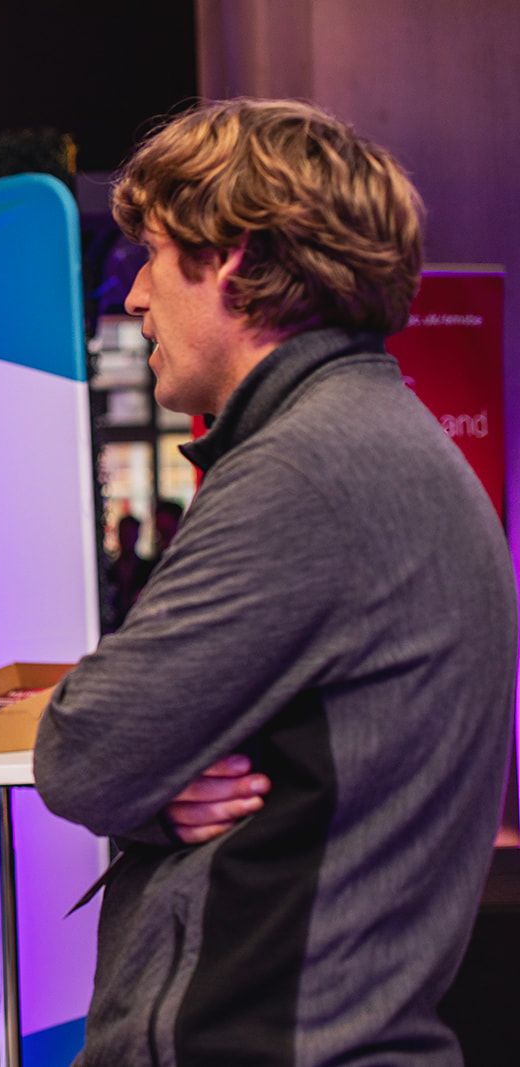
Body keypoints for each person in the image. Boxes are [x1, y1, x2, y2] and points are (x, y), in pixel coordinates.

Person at [33, 99, 516, 1065]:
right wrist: (160, 791)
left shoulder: (307, 468)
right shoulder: (363, 437)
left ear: (235, 259)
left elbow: (83, 748)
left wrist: (144, 777)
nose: (135, 298)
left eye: (153, 257)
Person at [103, 514, 153, 627]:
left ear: (137, 535)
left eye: (131, 533)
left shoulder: (147, 569)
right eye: (125, 533)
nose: (128, 538)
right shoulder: (110, 570)